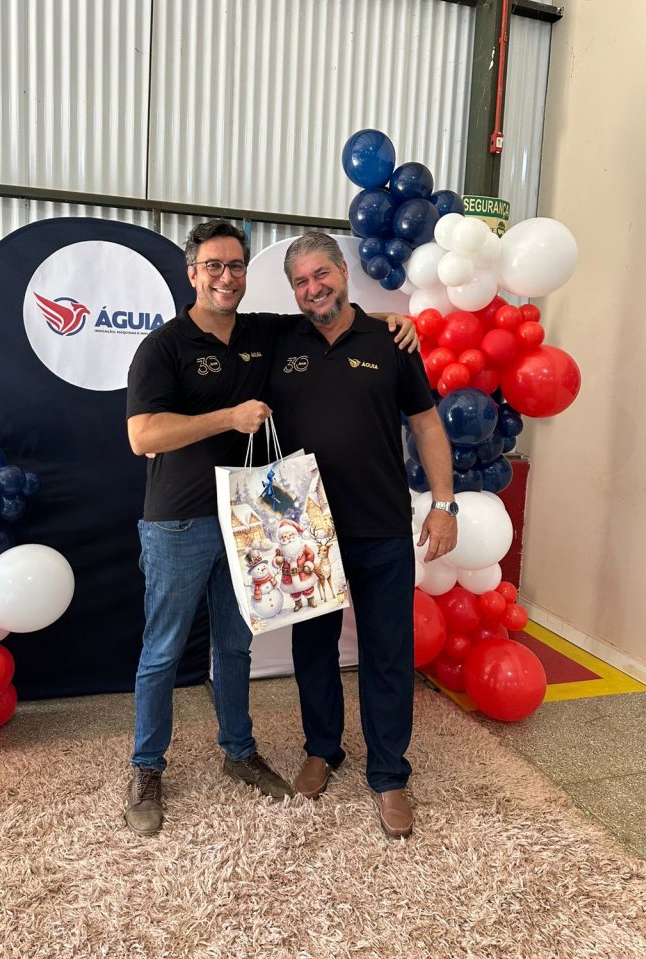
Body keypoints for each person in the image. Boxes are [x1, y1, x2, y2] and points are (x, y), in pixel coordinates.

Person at [124, 220, 418, 836]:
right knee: (163, 651)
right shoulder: (164, 345)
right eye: (213, 266)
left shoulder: (264, 332)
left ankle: (238, 751)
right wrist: (226, 417)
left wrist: (392, 321)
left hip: (248, 522)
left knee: (235, 647)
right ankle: (147, 767)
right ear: (192, 273)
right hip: (179, 521)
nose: (225, 277)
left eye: (235, 266)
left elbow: (331, 315)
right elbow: (143, 435)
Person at [266, 231, 457, 840]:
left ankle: (389, 774)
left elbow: (427, 424)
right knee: (312, 649)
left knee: (387, 651)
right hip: (307, 532)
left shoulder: (390, 340)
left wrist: (444, 505)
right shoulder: (279, 341)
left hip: (380, 526)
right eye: (301, 281)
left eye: (321, 274)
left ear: (343, 272)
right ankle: (322, 748)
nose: (313, 288)